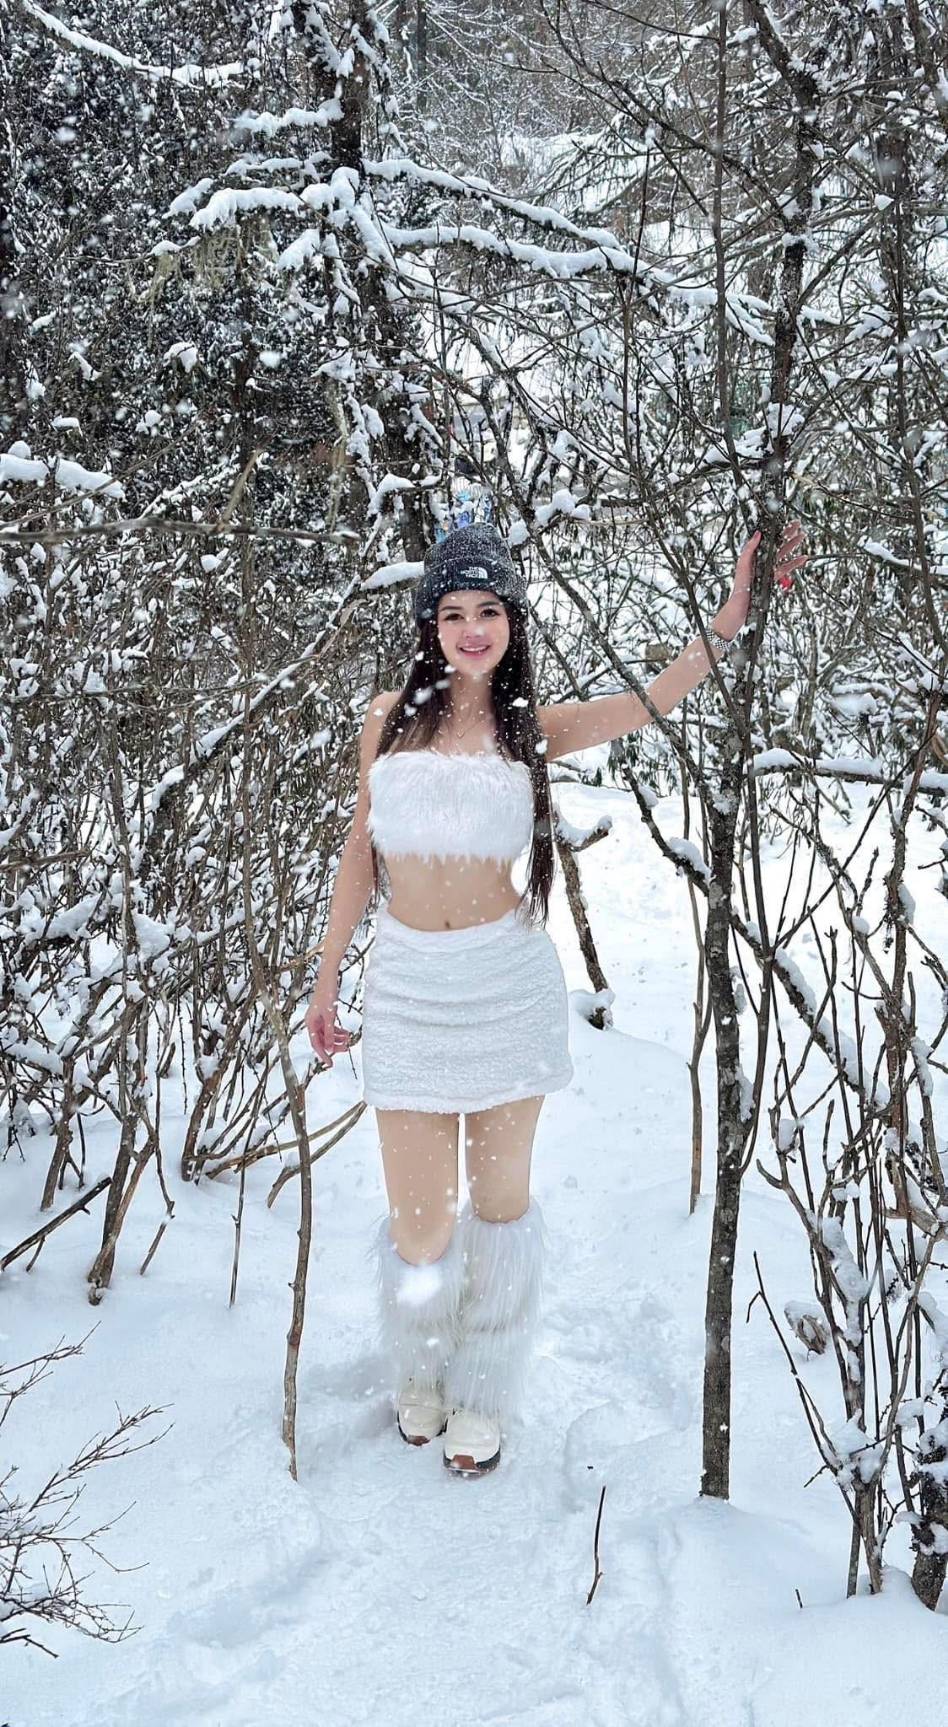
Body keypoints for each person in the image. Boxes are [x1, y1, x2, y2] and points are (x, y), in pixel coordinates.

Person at [306, 517, 807, 1477]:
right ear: (430, 624)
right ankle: (421, 1365)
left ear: (512, 620)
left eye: (489, 610)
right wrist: (327, 973)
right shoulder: (387, 718)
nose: (472, 629)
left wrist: (732, 613)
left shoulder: (528, 724)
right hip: (409, 990)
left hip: (504, 988)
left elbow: (652, 700)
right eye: (454, 612)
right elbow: (359, 854)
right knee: (422, 1223)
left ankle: (482, 1391)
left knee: (500, 1209)